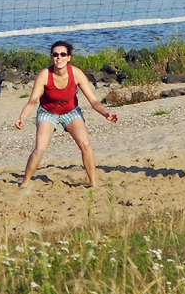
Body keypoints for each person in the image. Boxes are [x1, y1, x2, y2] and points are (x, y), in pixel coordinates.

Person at [15, 41, 118, 188]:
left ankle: (93, 183)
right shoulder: (45, 75)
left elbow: (94, 100)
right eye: (56, 54)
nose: (59, 57)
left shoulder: (76, 74)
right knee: (40, 148)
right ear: (52, 58)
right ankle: (25, 182)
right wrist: (22, 118)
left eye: (63, 54)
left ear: (69, 57)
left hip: (71, 111)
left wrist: (106, 113)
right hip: (48, 112)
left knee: (85, 144)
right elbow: (32, 101)